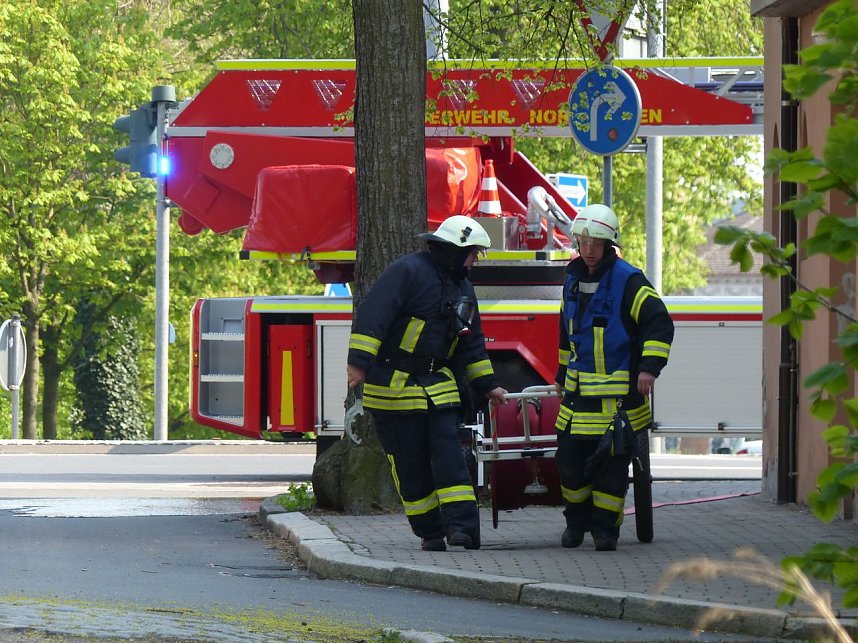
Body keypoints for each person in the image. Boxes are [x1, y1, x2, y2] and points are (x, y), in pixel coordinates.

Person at [346, 215, 508, 552]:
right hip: (394, 388)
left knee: (451, 457)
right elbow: (374, 315)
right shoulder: (408, 272)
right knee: (411, 467)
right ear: (453, 249)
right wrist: (358, 364)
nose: (475, 260)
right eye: (473, 253)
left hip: (438, 385)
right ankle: (430, 532)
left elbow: (471, 344)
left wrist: (487, 385)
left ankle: (462, 529)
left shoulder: (463, 286)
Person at [553, 204, 674, 552]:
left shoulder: (629, 280)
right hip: (576, 402)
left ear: (609, 243)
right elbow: (566, 333)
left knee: (611, 474)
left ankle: (605, 531)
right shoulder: (572, 280)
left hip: (616, 404)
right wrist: (562, 373)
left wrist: (649, 368)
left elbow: (659, 323)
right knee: (570, 468)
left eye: (596, 242)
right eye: (583, 241)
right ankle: (576, 523)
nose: (588, 248)